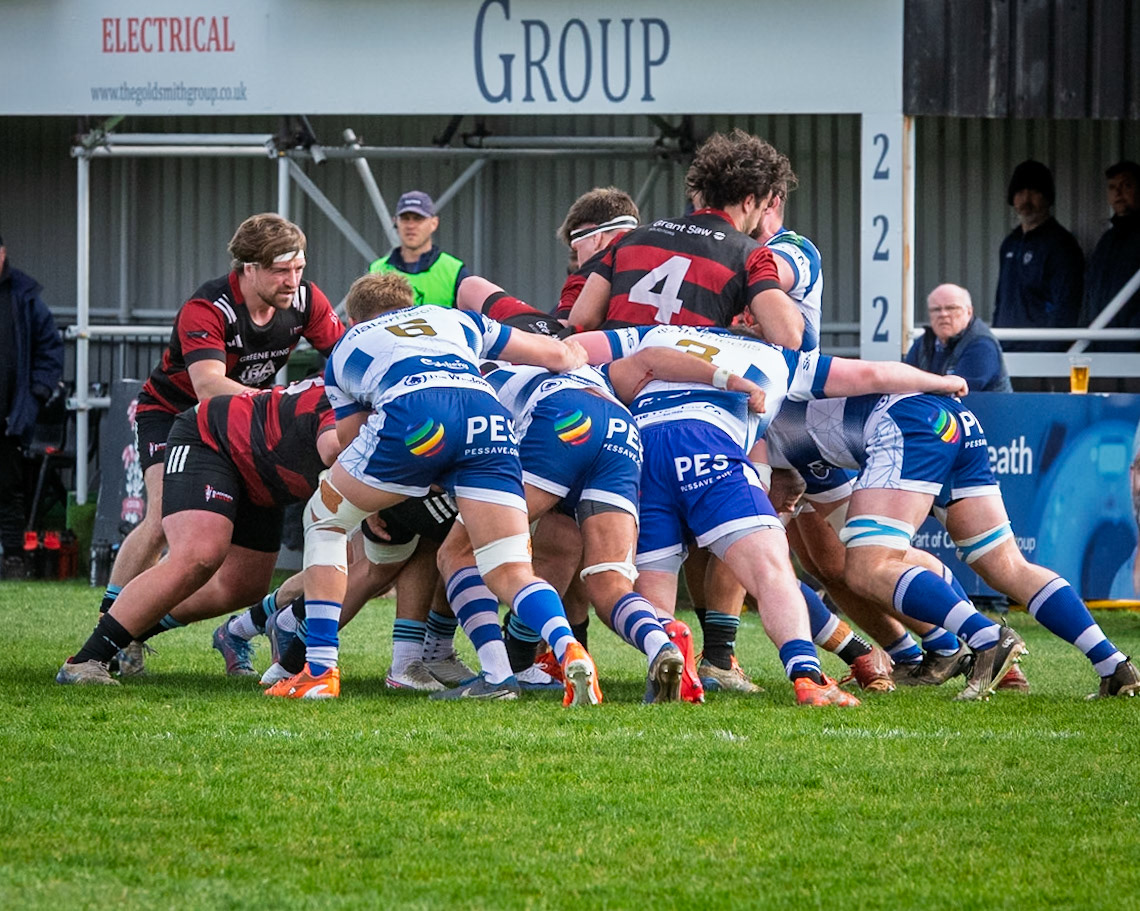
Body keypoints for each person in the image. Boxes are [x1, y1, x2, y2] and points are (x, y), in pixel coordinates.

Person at [576, 323, 969, 706]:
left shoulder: (658, 331)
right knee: (771, 573)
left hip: (640, 448)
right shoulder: (781, 357)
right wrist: (940, 381)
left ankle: (664, 652)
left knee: (654, 587)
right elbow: (872, 373)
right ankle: (807, 677)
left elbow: (576, 349)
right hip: (708, 439)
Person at [265, 274, 600, 703]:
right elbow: (551, 353)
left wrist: (388, 488)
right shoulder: (453, 318)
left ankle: (320, 669)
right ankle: (566, 646)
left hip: (418, 414)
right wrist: (573, 351)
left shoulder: (348, 344)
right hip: (488, 418)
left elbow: (349, 440)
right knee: (508, 566)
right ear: (410, 303)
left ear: (354, 317)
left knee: (324, 518)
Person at [765, 392, 1140, 700]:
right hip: (954, 420)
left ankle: (985, 639)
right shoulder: (794, 432)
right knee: (1007, 565)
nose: (787, 508)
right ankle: (1114, 664)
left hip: (909, 423)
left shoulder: (767, 431)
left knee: (867, 567)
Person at [98, 213, 345, 674]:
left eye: (299, 268)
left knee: (245, 583)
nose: (293, 280)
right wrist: (283, 401)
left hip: (238, 426)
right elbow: (209, 386)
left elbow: (350, 355)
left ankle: (143, 626)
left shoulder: (306, 299)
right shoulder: (209, 308)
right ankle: (109, 630)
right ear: (248, 268)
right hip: (174, 416)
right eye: (280, 270)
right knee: (161, 517)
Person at [55, 375, 341, 685]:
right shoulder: (353, 397)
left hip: (264, 472)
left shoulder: (375, 388)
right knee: (198, 554)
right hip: (212, 437)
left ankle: (129, 631)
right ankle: (86, 659)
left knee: (244, 586)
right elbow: (332, 449)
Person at [568, 129, 804, 348]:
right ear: (750, 201)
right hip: (688, 381)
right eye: (763, 206)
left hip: (619, 379)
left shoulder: (628, 239)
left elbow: (581, 320)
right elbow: (788, 336)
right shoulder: (750, 255)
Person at [0, 234, 64, 577]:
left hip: (9, 414)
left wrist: (37, 393)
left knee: (7, 490)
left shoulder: (24, 298)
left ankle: (12, 557)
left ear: (4, 254)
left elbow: (50, 351)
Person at [992, 160, 1084, 352]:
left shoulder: (1061, 244)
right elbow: (1001, 301)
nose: (1026, 200)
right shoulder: (1010, 243)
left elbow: (1067, 307)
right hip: (1006, 347)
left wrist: (1048, 350)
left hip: (1041, 354)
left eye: (1034, 192)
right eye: (1019, 192)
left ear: (1047, 198)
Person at [368, 190, 471, 307]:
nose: (411, 226)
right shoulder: (376, 271)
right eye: (405, 218)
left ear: (434, 223)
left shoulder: (454, 271)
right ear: (396, 222)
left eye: (418, 218)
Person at [905, 283, 1012, 392]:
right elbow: (905, 382)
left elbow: (959, 393)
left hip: (980, 408)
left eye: (951, 308)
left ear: (969, 312)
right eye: (936, 309)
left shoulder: (982, 345)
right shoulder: (923, 343)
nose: (943, 314)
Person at [1082, 160, 1140, 348]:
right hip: (1097, 350)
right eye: (1112, 187)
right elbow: (1089, 296)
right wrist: (1081, 336)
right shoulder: (1106, 240)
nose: (1118, 193)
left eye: (1127, 185)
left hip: (1131, 352)